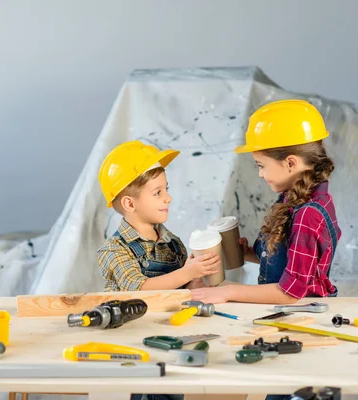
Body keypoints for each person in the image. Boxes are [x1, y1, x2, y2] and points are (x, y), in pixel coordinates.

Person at [192, 99, 341, 307]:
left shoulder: (309, 214)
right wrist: (248, 254)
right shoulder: (294, 197)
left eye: (261, 165)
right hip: (283, 308)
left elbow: (290, 293)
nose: (260, 174)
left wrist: (229, 291)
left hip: (301, 313)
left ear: (290, 163)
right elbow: (287, 261)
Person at [97, 140, 221, 293]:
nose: (168, 198)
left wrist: (193, 281)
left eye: (166, 189)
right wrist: (187, 272)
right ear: (129, 204)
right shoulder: (114, 250)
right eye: (157, 193)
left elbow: (179, 291)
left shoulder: (173, 244)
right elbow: (138, 289)